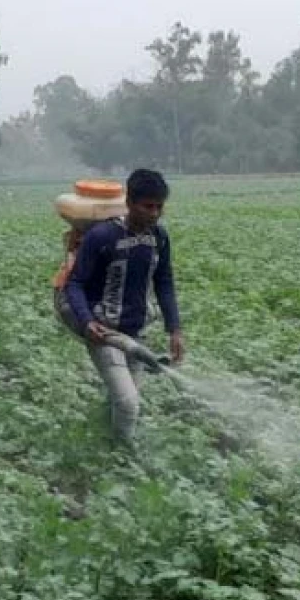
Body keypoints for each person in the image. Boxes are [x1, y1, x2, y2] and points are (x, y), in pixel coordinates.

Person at [58, 168, 185, 444]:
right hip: (104, 332)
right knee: (128, 404)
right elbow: (75, 283)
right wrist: (86, 320)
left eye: (159, 207)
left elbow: (164, 281)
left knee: (124, 400)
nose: (153, 213)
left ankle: (106, 439)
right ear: (129, 203)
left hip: (135, 330)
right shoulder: (102, 237)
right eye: (147, 206)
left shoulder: (159, 238)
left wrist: (174, 328)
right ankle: (122, 458)